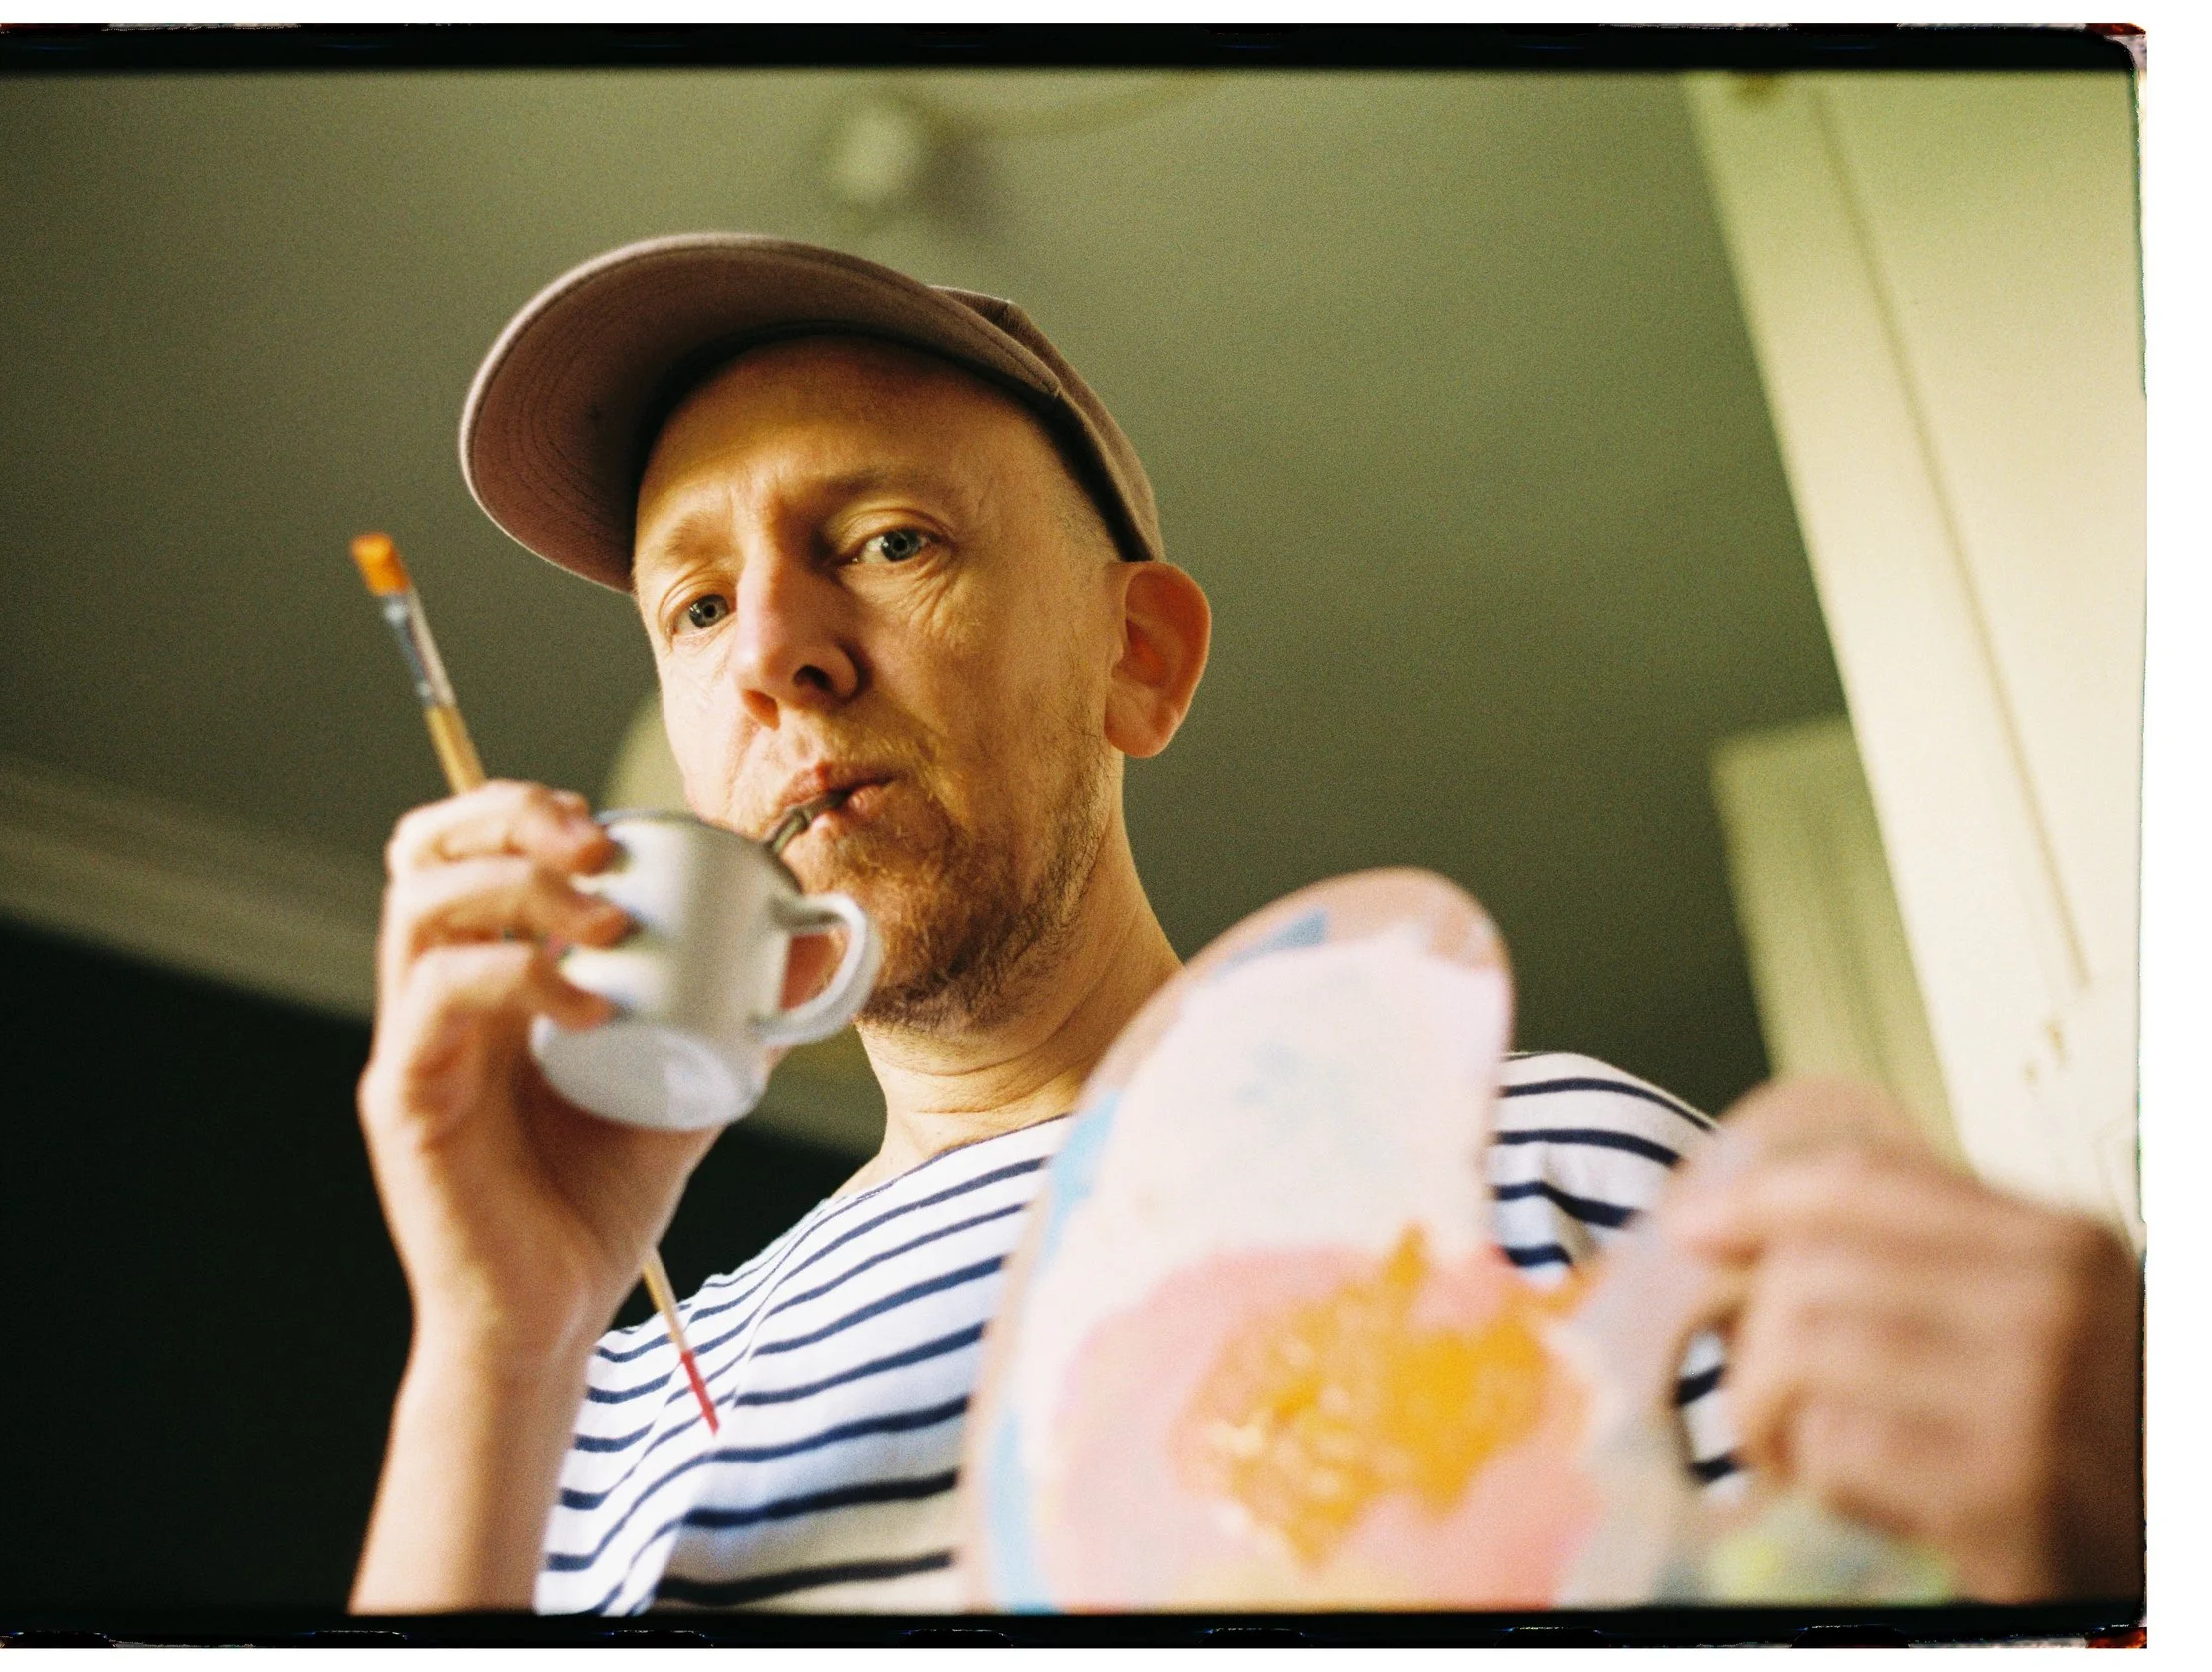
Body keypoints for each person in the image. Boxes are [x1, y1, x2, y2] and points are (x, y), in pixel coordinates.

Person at [347, 235, 2140, 1615]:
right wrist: (493, 1333)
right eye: (697, 602)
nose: (771, 656)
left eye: (889, 542)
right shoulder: (579, 1413)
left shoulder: (1549, 1163)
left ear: (1140, 657)